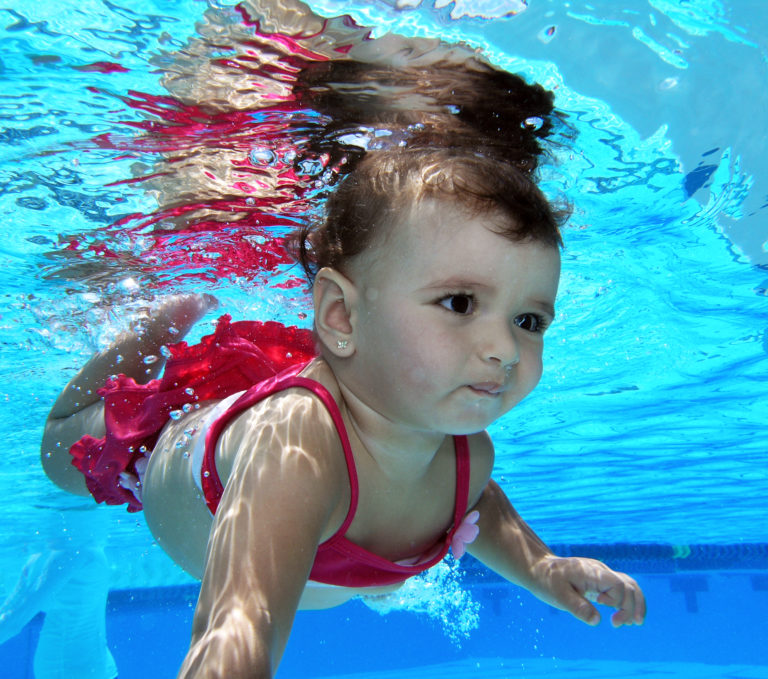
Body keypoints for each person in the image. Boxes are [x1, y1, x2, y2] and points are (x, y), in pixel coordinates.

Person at [40, 143, 646, 678]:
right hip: (164, 450)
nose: (505, 348)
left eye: (529, 320)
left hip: (322, 384)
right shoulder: (297, 447)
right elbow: (242, 621)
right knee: (59, 453)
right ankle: (147, 336)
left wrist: (542, 567)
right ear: (340, 316)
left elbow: (474, 502)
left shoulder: (467, 449)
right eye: (460, 302)